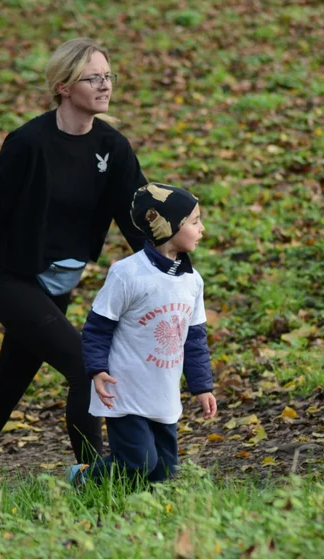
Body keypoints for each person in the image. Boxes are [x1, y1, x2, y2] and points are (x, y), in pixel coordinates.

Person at [0, 38, 148, 482]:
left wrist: (167, 269)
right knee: (86, 369)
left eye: (108, 76)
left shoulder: (113, 147)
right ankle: (94, 478)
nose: (105, 86)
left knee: (6, 388)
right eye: (94, 78)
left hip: (59, 285)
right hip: (13, 279)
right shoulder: (28, 144)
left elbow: (137, 217)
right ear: (64, 86)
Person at [72, 183, 216, 486]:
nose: (202, 228)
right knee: (138, 461)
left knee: (163, 471)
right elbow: (98, 326)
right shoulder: (128, 274)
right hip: (124, 391)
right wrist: (97, 369)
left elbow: (194, 339)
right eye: (194, 221)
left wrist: (202, 386)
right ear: (167, 226)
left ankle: (138, 514)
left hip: (162, 392)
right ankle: (85, 478)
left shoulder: (192, 281)